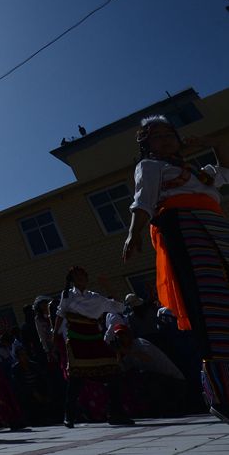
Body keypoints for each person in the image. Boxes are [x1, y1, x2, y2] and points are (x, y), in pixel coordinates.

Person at [123, 116, 229, 423]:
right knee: (209, 305)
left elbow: (225, 172)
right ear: (146, 145)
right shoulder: (151, 167)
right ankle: (222, 393)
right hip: (185, 228)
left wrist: (214, 144)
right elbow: (143, 200)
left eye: (170, 133)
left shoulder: (199, 172)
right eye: (158, 136)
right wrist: (134, 233)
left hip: (217, 229)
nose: (167, 139)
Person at [54, 266, 133, 428]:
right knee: (76, 380)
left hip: (95, 339)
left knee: (114, 373)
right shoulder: (67, 295)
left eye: (83, 274)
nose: (81, 277)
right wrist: (55, 337)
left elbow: (119, 306)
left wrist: (107, 286)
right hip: (77, 340)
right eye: (77, 275)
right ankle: (69, 415)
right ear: (72, 279)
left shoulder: (95, 297)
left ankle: (115, 413)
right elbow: (60, 314)